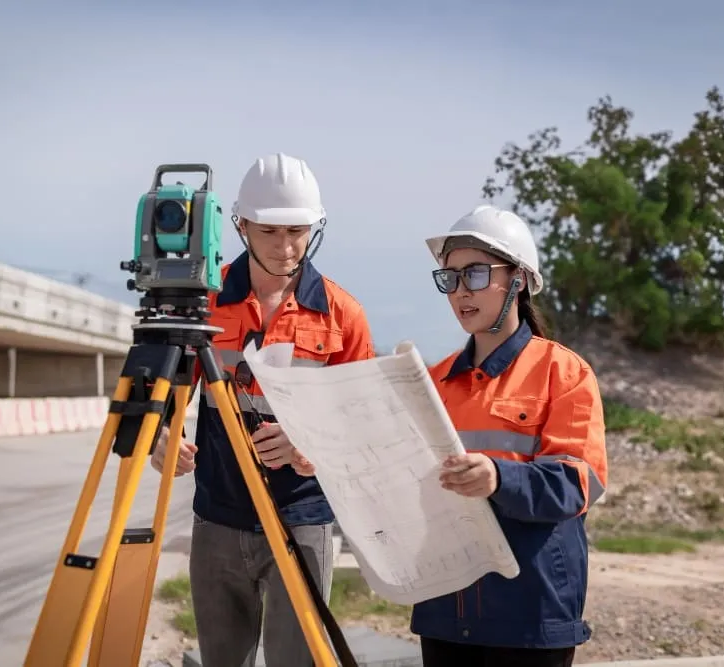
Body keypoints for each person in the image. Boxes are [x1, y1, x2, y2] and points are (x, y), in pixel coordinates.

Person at [150, 152, 375, 667]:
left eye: (297, 230)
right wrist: (160, 437)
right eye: (270, 231)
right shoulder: (203, 302)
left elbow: (361, 424)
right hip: (218, 518)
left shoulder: (344, 315)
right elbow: (161, 389)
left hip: (304, 519)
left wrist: (308, 443)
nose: (286, 246)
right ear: (242, 225)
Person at [412, 204, 608, 667]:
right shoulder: (431, 381)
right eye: (450, 278)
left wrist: (500, 479)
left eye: (476, 274)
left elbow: (579, 483)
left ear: (518, 280)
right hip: (446, 607)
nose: (460, 291)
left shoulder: (563, 373)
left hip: (530, 612)